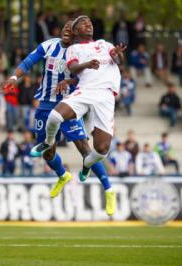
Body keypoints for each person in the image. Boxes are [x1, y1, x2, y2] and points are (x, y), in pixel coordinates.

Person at [21, 17, 124, 215]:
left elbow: (116, 60)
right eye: (81, 24)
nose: (89, 24)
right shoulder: (63, 48)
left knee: (96, 150)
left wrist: (118, 54)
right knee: (50, 143)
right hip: (65, 97)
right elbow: (72, 68)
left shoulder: (104, 44)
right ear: (72, 32)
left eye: (89, 22)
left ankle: (106, 187)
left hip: (99, 96)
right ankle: (60, 171)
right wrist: (15, 77)